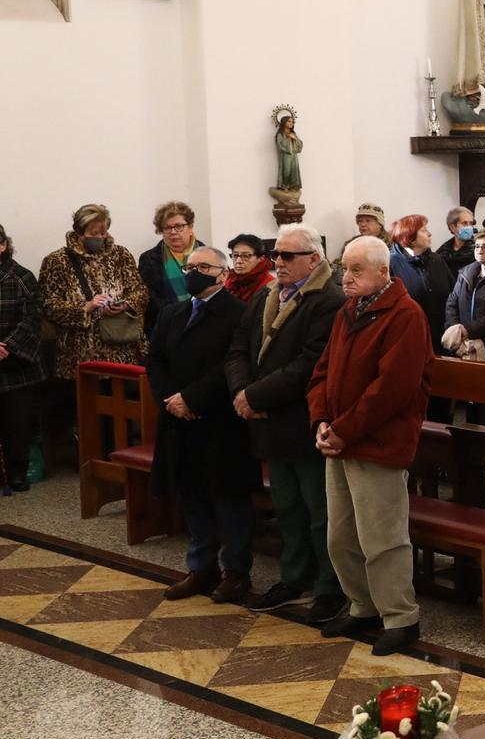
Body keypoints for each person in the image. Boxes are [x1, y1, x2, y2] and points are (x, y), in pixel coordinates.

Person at [308, 235, 433, 656]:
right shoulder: (349, 311)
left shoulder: (405, 315)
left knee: (383, 538)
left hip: (377, 442)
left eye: (356, 270)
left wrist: (345, 428)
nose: (346, 277)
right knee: (341, 535)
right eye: (344, 268)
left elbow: (392, 389)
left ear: (384, 271)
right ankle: (362, 605)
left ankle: (401, 617)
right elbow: (323, 371)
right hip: (340, 440)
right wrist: (322, 421)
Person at [225, 224, 344, 618]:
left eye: (287, 256)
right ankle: (295, 578)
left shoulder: (327, 300)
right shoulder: (266, 296)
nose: (278, 262)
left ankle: (330, 586)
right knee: (288, 507)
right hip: (268, 421)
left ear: (313, 258)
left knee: (319, 511)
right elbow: (238, 349)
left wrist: (256, 396)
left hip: (303, 420)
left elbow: (309, 363)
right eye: (276, 255)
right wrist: (243, 393)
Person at [148, 246, 260, 604]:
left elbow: (233, 363)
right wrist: (172, 400)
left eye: (202, 267)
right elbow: (155, 360)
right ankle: (202, 567)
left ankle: (237, 572)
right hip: (178, 420)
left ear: (222, 275)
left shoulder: (239, 314)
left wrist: (192, 400)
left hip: (220, 421)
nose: (192, 272)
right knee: (192, 493)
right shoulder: (172, 312)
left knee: (229, 497)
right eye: (189, 267)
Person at [40, 203, 149, 377]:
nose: (100, 237)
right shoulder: (57, 261)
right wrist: (86, 307)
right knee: (87, 403)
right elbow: (49, 306)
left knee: (124, 402)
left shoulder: (121, 255)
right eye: (93, 233)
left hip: (122, 351)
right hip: (80, 355)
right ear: (79, 232)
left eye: (103, 232)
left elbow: (140, 292)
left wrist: (125, 304)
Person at [0, 224, 42, 492]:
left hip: (17, 363)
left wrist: (7, 346)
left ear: (3, 245)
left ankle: (17, 471)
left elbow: (33, 318)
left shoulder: (21, 277)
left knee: (17, 422)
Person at [441, 225, 485, 376]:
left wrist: (468, 330)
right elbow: (452, 301)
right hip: (462, 341)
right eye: (477, 246)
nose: (480, 250)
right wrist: (455, 328)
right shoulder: (466, 272)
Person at [388, 215, 454, 356]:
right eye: (424, 230)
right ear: (409, 236)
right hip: (408, 340)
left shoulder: (437, 260)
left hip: (440, 338)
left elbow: (453, 294)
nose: (429, 233)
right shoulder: (391, 264)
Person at [137, 201, 204, 332]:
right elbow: (150, 297)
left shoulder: (207, 254)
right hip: (167, 326)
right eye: (167, 228)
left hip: (203, 323)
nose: (173, 232)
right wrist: (178, 316)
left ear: (190, 227)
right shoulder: (149, 259)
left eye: (179, 226)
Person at [222, 235, 274, 303]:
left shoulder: (270, 285)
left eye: (246, 256)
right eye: (235, 255)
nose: (238, 261)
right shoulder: (230, 280)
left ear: (261, 258)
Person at [441, 206, 479, 277]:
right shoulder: (442, 252)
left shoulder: (479, 248)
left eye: (471, 223)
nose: (469, 227)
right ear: (452, 227)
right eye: (464, 223)